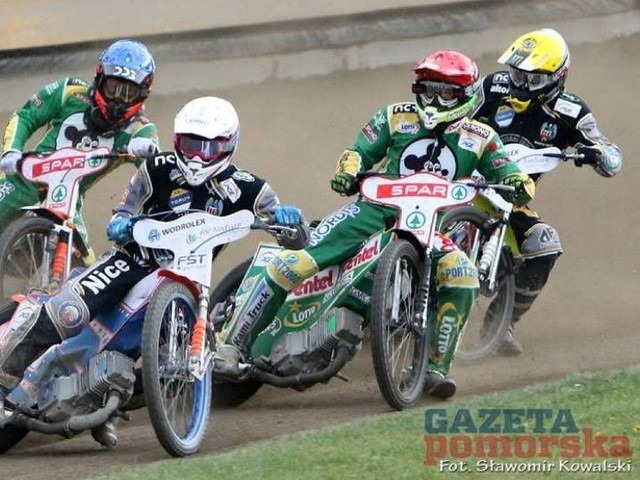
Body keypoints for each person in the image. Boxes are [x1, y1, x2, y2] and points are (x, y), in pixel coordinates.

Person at [213, 50, 535, 400]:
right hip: (370, 212)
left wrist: (520, 182)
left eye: (444, 92)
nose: (433, 99)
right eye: (427, 89)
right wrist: (347, 170)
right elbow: (357, 152)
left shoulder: (481, 136)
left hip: (428, 226)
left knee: (463, 276)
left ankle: (432, 370)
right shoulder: (394, 116)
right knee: (293, 262)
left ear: (466, 95)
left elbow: (508, 171)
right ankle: (231, 346)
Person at [0, 96, 308, 447]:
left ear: (229, 144)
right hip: (133, 260)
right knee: (68, 310)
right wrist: (120, 223)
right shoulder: (157, 167)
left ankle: (109, 400)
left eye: (209, 147)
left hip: (189, 277)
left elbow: (296, 240)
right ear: (178, 141)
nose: (197, 156)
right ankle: (6, 377)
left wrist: (290, 222)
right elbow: (125, 208)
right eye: (191, 144)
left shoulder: (251, 188)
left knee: (158, 350)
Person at [471, 28, 622, 355]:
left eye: (532, 79)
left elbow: (612, 157)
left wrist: (596, 154)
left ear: (558, 76)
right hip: (462, 185)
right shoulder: (490, 87)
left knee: (545, 243)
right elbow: (450, 115)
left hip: (511, 201)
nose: (521, 85)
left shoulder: (572, 112)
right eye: (517, 74)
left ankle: (500, 324)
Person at [0, 39, 160, 264]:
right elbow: (25, 116)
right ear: (100, 78)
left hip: (69, 200)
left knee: (88, 272)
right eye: (113, 88)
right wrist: (11, 151)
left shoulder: (141, 129)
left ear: (143, 93)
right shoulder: (69, 91)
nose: (118, 100)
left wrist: (149, 153)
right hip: (23, 180)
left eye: (128, 93)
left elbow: (159, 173)